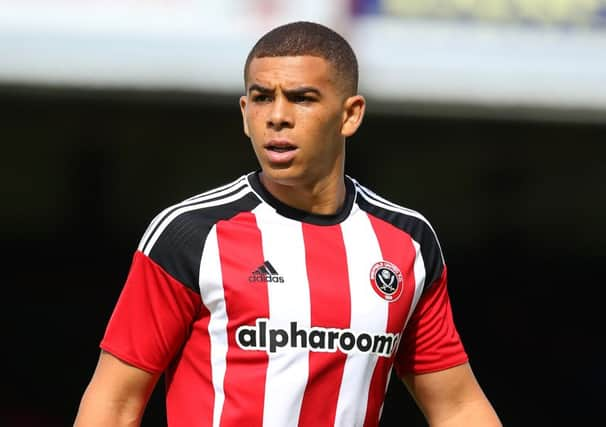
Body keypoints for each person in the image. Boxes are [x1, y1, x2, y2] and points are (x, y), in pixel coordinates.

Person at [74, 21, 501, 427]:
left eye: (301, 98)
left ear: (350, 115)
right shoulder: (189, 233)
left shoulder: (407, 242)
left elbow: (457, 406)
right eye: (261, 97)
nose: (277, 116)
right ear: (244, 113)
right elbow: (115, 402)